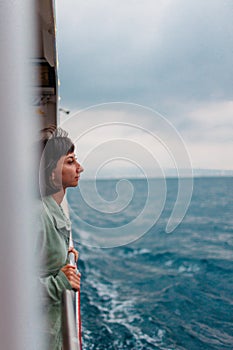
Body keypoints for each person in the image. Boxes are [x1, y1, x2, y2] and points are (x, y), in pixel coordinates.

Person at [38, 126, 84, 349]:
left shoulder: (49, 208)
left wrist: (63, 256)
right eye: (70, 161)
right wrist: (60, 283)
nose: (80, 168)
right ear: (50, 172)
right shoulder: (35, 215)